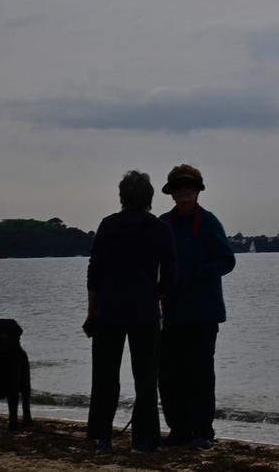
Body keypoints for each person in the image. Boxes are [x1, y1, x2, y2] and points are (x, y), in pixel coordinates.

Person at [85, 170, 177, 453]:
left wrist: (92, 311)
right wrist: (158, 293)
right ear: (149, 198)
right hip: (144, 311)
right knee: (146, 379)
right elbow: (171, 272)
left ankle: (102, 437)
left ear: (122, 196)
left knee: (104, 376)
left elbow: (95, 272)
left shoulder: (108, 225)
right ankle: (144, 439)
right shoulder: (160, 228)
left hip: (109, 309)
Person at [157, 163, 237, 450]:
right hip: (172, 313)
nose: (183, 192)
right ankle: (179, 430)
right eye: (178, 187)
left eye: (188, 187)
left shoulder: (209, 222)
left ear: (197, 190)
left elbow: (227, 260)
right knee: (168, 374)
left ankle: (203, 431)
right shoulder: (163, 223)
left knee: (200, 373)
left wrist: (195, 272)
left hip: (203, 312)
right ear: (172, 192)